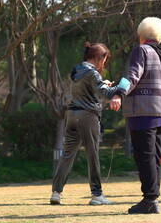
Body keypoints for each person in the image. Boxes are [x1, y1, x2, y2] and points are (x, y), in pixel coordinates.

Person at [50, 42, 125, 206]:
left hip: (71, 116)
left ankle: (56, 192)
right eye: (104, 60)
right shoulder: (93, 74)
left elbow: (89, 89)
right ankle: (97, 195)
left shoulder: (76, 70)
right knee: (92, 155)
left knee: (67, 155)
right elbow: (104, 94)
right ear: (101, 57)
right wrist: (122, 87)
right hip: (88, 116)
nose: (104, 64)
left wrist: (102, 83)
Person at [112, 17, 161, 214]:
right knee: (155, 156)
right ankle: (153, 196)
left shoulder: (142, 51)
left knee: (144, 156)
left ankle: (150, 199)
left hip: (143, 111)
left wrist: (118, 93)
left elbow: (132, 76)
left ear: (141, 34)